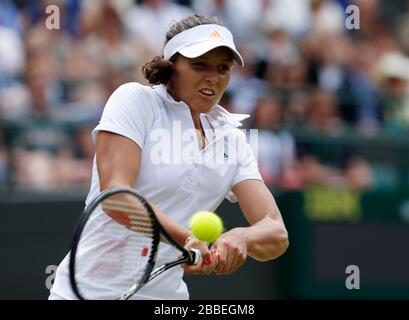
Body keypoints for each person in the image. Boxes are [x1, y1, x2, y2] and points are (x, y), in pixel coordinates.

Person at [49, 14, 288, 300]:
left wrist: (242, 238)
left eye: (223, 68)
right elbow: (115, 198)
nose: (213, 77)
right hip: (87, 293)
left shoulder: (232, 137)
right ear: (171, 65)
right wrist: (185, 239)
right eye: (200, 65)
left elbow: (276, 232)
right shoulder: (135, 101)